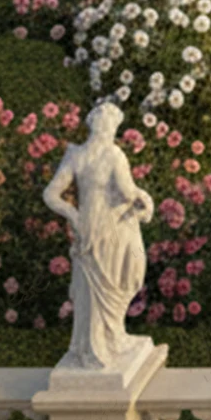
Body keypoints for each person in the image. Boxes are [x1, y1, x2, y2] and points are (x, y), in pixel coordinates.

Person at [41, 101, 157, 372]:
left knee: (95, 287)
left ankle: (94, 343)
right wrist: (146, 200)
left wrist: (73, 215)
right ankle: (106, 341)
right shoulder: (114, 154)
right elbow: (128, 193)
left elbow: (50, 195)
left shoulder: (76, 155)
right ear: (111, 127)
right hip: (110, 224)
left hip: (87, 225)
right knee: (118, 279)